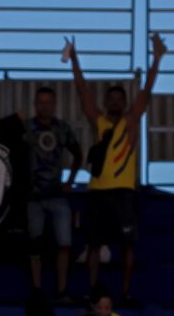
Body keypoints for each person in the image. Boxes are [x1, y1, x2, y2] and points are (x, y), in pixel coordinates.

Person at [68, 36, 164, 300]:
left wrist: (157, 58)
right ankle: (93, 291)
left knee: (128, 243)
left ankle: (125, 292)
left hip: (123, 193)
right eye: (110, 99)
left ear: (124, 103)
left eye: (118, 99)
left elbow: (146, 91)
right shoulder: (99, 122)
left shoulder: (131, 121)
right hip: (98, 191)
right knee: (94, 244)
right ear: (106, 102)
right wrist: (74, 60)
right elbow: (82, 91)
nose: (114, 103)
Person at [13, 75, 88, 299]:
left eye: (48, 102)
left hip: (57, 194)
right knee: (34, 245)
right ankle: (37, 290)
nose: (44, 106)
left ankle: (62, 290)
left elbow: (78, 154)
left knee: (64, 244)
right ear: (36, 104)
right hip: (32, 196)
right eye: (41, 102)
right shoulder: (26, 128)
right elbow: (12, 156)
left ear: (54, 104)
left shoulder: (62, 128)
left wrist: (70, 180)